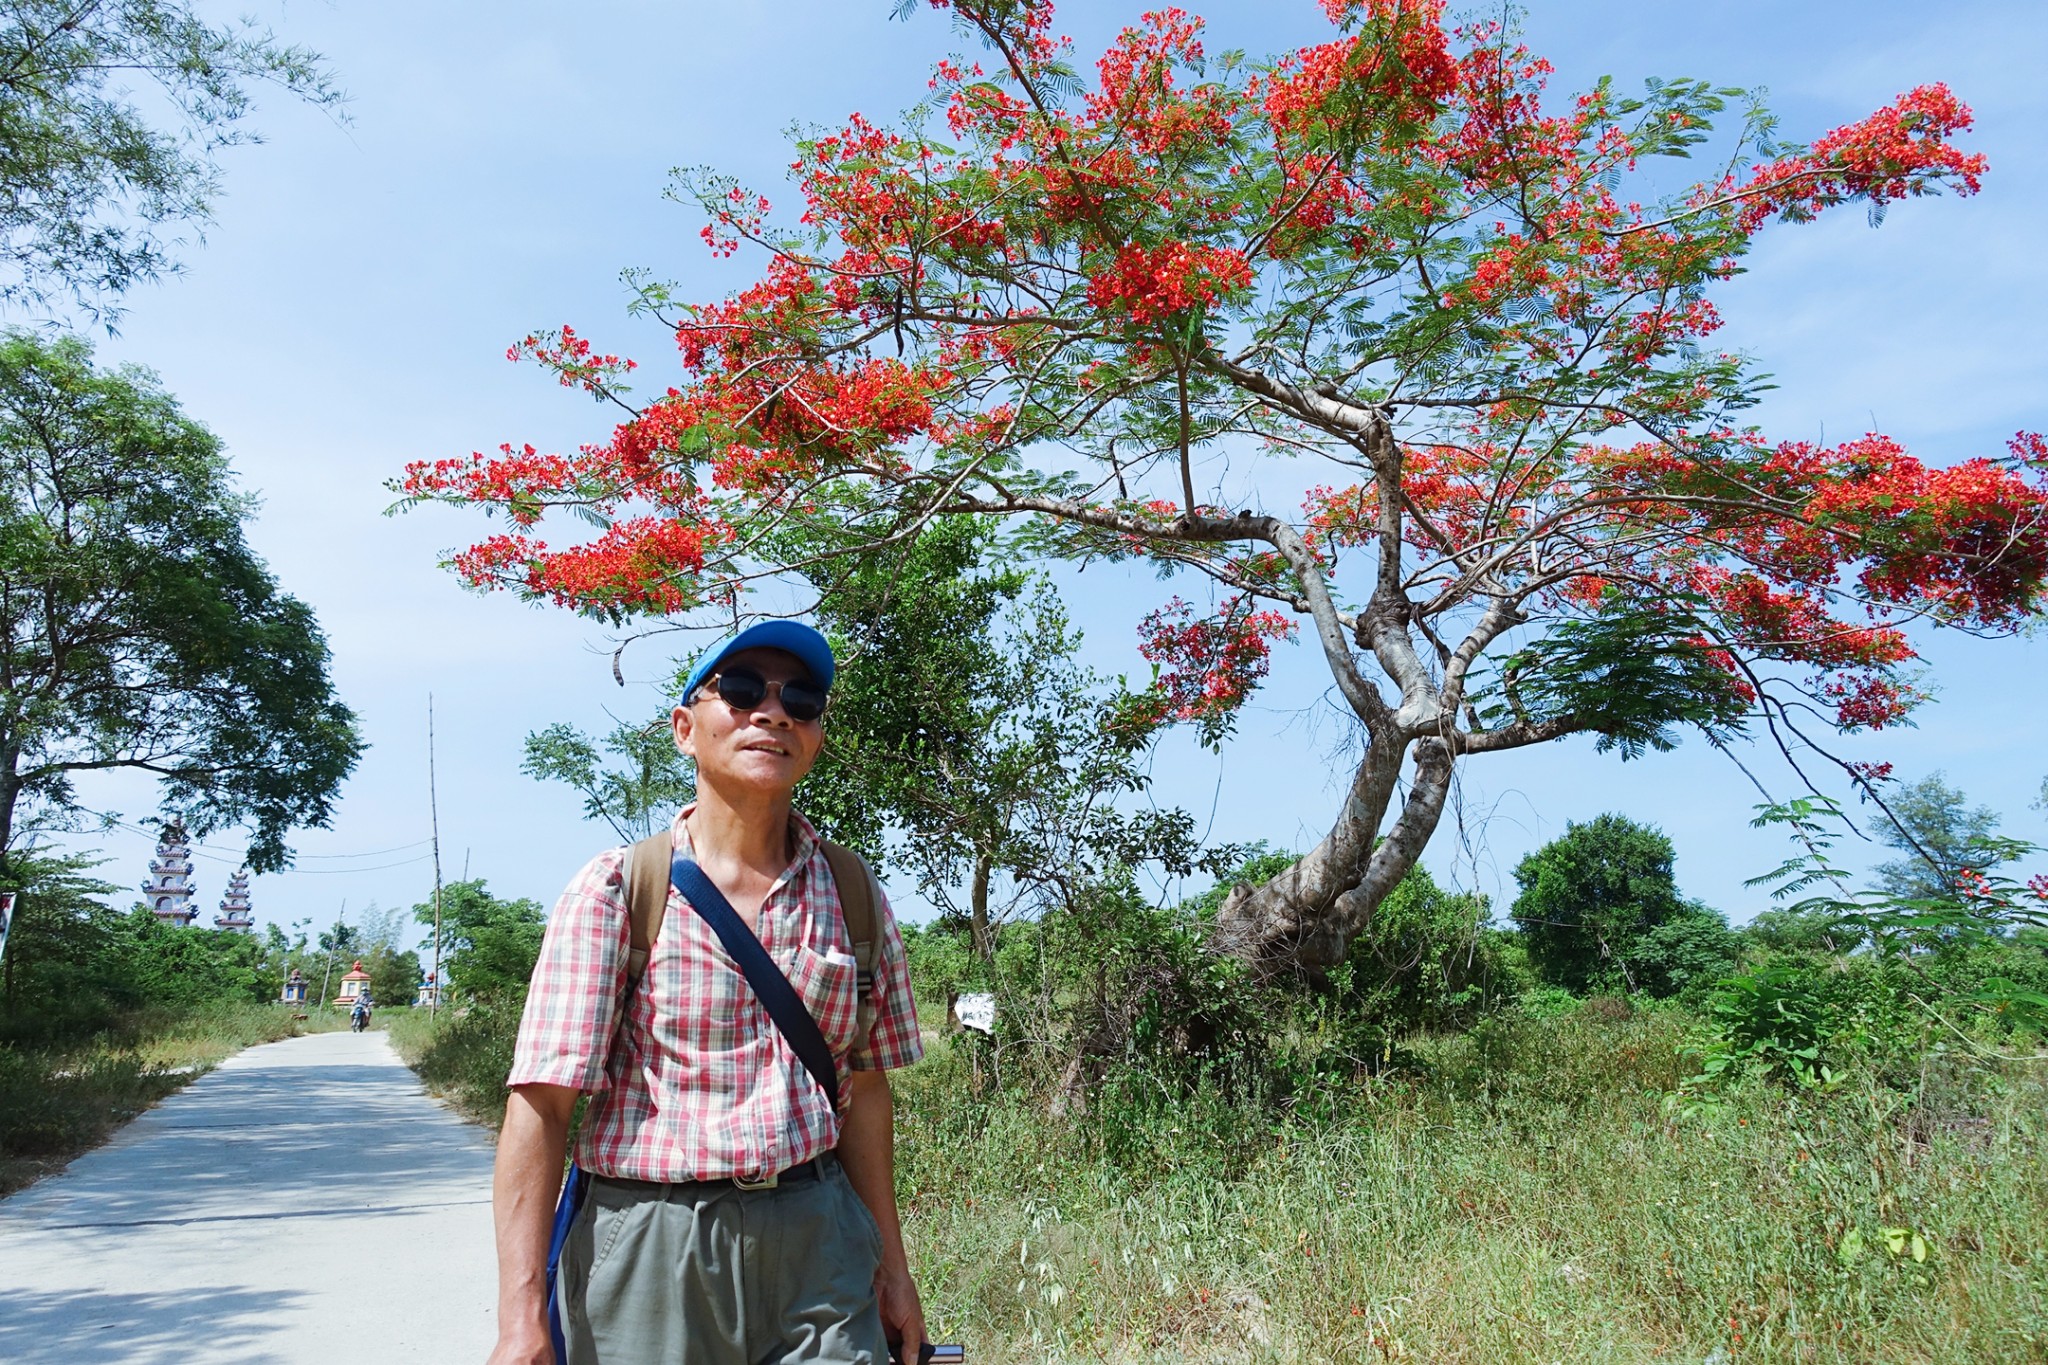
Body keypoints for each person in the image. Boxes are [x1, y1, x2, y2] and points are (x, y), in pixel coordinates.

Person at [486, 621, 928, 1365]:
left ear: (816, 738)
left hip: (819, 1235)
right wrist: (520, 1314)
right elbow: (542, 1104)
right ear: (686, 729)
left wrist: (894, 1266)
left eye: (802, 700)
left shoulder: (854, 894)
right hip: (654, 1243)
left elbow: (866, 1089)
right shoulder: (618, 891)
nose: (775, 712)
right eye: (745, 690)